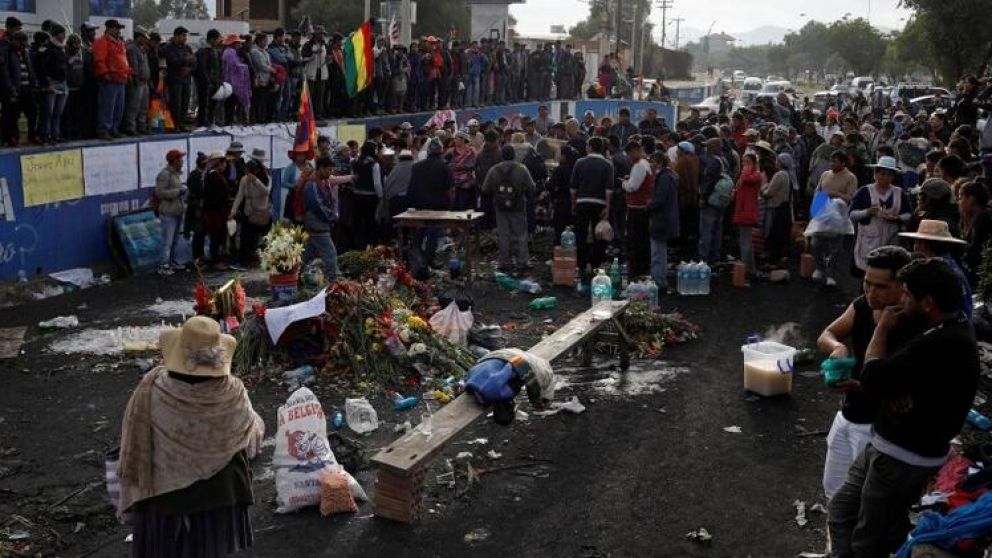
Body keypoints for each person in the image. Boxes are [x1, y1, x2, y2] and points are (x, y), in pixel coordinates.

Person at [828, 258, 979, 558]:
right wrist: (888, 388)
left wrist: (882, 329)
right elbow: (890, 382)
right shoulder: (943, 327)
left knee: (868, 538)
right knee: (842, 508)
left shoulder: (942, 340)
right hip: (884, 444)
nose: (901, 298)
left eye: (907, 293)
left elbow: (872, 377)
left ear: (928, 302)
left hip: (901, 458)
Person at [117, 316, 264, 558]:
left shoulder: (151, 389)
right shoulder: (234, 392)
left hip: (163, 497)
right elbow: (251, 434)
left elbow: (133, 439)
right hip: (222, 494)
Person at [817, 246, 918, 501]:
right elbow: (827, 334)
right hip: (848, 416)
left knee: (864, 503)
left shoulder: (912, 324)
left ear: (903, 287)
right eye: (867, 283)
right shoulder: (862, 306)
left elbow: (896, 392)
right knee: (833, 494)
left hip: (879, 431)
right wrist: (837, 347)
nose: (871, 292)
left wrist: (856, 385)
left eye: (881, 287)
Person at [849, 156, 912, 276]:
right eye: (882, 174)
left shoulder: (899, 193)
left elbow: (908, 214)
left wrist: (898, 218)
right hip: (868, 240)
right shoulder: (865, 191)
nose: (885, 178)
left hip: (892, 240)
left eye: (889, 175)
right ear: (875, 174)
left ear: (893, 177)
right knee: (868, 271)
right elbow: (852, 214)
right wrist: (867, 212)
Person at [899, 219, 974, 319]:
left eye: (916, 242)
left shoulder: (936, 272)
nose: (914, 247)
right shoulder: (949, 264)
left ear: (924, 245)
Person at [482, 145, 537, 272]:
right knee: (520, 234)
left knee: (503, 234)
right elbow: (532, 187)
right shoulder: (522, 169)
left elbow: (485, 189)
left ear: (502, 155)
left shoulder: (494, 170)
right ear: (514, 155)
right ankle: (522, 261)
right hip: (518, 206)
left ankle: (504, 261)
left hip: (500, 207)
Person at [406, 138, 453, 279]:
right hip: (437, 207)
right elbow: (450, 190)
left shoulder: (416, 166)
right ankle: (427, 262)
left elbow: (411, 187)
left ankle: (418, 260)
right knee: (432, 235)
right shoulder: (445, 167)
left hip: (420, 206)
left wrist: (411, 204)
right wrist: (451, 206)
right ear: (441, 151)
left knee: (419, 234)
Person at [571, 137, 615, 286]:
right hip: (599, 203)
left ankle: (582, 266)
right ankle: (596, 265)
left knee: (581, 234)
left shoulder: (580, 162)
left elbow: (573, 187)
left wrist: (573, 204)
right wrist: (607, 207)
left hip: (582, 202)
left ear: (589, 147)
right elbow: (609, 189)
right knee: (599, 235)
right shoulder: (607, 164)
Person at [810, 151, 858, 286]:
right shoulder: (825, 174)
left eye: (835, 161)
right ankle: (819, 267)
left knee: (835, 247)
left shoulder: (850, 177)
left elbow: (851, 197)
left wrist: (835, 194)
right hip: (822, 214)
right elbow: (818, 191)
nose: (831, 164)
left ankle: (830, 273)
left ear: (843, 163)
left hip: (839, 215)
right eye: (831, 161)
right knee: (816, 243)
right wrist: (814, 210)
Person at [302, 156, 346, 281]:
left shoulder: (322, 182)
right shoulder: (312, 184)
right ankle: (335, 277)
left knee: (308, 252)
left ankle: (291, 270)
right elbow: (318, 206)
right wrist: (331, 216)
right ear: (321, 168)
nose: (330, 173)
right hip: (317, 222)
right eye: (328, 169)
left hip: (317, 223)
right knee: (329, 251)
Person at [230, 149, 272, 266]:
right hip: (248, 212)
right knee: (245, 238)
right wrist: (233, 211)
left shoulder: (265, 177)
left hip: (261, 213)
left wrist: (257, 181)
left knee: (260, 238)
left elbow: (267, 192)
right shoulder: (244, 180)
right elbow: (239, 196)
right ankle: (244, 261)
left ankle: (263, 259)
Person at [92, 19, 130, 139]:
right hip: (110, 79)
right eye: (116, 28)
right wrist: (104, 73)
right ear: (109, 28)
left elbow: (124, 60)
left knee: (119, 108)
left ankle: (114, 129)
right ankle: (104, 130)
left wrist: (128, 72)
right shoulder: (102, 42)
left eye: (119, 28)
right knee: (107, 107)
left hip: (121, 79)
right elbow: (99, 59)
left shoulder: (120, 43)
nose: (118, 31)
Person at [648, 150, 679, 291]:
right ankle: (660, 278)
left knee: (657, 252)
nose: (650, 165)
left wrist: (648, 206)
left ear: (659, 163)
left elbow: (659, 199)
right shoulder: (669, 176)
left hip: (661, 219)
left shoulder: (664, 177)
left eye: (652, 162)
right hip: (667, 218)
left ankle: (658, 280)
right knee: (661, 251)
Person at [623, 140, 653, 278]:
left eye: (630, 154)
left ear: (635, 150)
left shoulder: (639, 165)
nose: (629, 158)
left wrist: (624, 183)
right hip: (642, 206)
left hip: (637, 207)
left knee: (636, 239)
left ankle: (637, 267)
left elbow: (633, 187)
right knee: (642, 238)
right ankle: (642, 266)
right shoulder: (645, 164)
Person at [155, 150, 188, 276]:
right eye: (180, 159)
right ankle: (163, 266)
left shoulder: (175, 174)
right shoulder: (164, 174)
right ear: (174, 161)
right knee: (167, 242)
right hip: (168, 213)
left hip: (177, 212)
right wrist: (178, 191)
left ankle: (172, 262)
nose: (182, 162)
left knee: (174, 241)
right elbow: (160, 193)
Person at [34, 24, 68, 144]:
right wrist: (46, 83)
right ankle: (45, 134)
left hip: (62, 82)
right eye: (62, 33)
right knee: (48, 111)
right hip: (51, 82)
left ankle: (55, 134)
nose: (64, 36)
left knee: (58, 111)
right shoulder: (46, 47)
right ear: (56, 34)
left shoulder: (62, 48)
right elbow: (39, 66)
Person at [698, 138, 729, 266]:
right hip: (721, 199)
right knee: (717, 230)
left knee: (706, 230)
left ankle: (704, 259)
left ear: (712, 147)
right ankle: (715, 258)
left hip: (711, 200)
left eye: (707, 146)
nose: (705, 148)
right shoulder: (724, 160)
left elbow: (709, 182)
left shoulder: (713, 163)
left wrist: (703, 198)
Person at [733, 152, 763, 280]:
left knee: (745, 242)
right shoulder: (748, 175)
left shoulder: (755, 175)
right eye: (743, 162)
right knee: (746, 241)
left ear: (754, 163)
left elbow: (747, 179)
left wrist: (746, 169)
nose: (744, 165)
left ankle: (745, 269)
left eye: (747, 162)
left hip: (747, 211)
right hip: (743, 210)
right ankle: (751, 269)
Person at [350, 141, 383, 250]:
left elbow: (353, 179)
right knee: (371, 223)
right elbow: (377, 183)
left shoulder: (354, 162)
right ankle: (371, 246)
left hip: (356, 197)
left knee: (359, 224)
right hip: (370, 198)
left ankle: (358, 247)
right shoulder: (374, 164)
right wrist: (380, 196)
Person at [201, 153, 231, 269]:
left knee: (218, 235)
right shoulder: (213, 177)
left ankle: (218, 258)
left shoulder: (216, 175)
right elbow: (215, 196)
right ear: (219, 164)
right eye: (224, 163)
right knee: (216, 235)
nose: (225, 166)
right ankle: (215, 260)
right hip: (215, 212)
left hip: (218, 211)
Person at [162, 26, 195, 132]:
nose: (185, 38)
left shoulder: (187, 48)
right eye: (183, 36)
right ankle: (174, 125)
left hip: (186, 80)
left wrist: (189, 68)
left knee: (185, 103)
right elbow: (173, 61)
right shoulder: (169, 48)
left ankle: (181, 124)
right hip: (174, 80)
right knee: (176, 103)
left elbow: (194, 61)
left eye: (185, 36)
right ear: (176, 36)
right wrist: (185, 60)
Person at [959, 180, 992, 281]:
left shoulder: (984, 217)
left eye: (961, 198)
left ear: (971, 199)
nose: (959, 202)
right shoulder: (976, 217)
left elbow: (976, 249)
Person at [122, 27, 150, 136]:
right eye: (144, 38)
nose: (146, 40)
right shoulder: (132, 49)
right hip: (137, 82)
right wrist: (136, 79)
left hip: (144, 82)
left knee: (143, 107)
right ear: (139, 37)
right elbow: (134, 66)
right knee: (133, 106)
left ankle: (141, 126)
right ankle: (130, 127)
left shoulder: (142, 49)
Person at [195, 29, 222, 128]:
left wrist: (218, 80)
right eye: (217, 39)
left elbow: (217, 67)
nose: (219, 41)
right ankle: (202, 122)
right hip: (205, 83)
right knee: (204, 103)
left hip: (215, 82)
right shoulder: (203, 50)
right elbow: (202, 68)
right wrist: (208, 81)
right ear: (211, 39)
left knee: (213, 103)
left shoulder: (214, 50)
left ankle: (210, 120)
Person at [184, 153, 208, 264]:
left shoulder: (200, 174)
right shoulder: (195, 175)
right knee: (198, 232)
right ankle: (197, 256)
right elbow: (197, 191)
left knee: (201, 233)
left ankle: (200, 255)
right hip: (196, 207)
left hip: (200, 206)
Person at [449, 132, 478, 211]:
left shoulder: (471, 151)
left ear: (463, 140)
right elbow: (448, 165)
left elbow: (474, 164)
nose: (455, 140)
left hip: (467, 184)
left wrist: (460, 167)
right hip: (454, 183)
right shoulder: (451, 152)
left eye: (456, 138)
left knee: (463, 206)